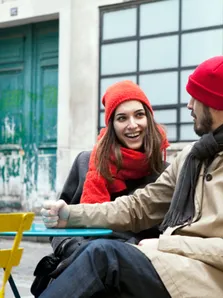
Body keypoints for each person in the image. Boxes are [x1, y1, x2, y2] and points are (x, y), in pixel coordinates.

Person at [40, 42, 223, 298]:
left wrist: (168, 245)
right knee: (95, 258)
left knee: (104, 257)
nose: (189, 106)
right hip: (177, 271)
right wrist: (71, 214)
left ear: (218, 105)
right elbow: (138, 207)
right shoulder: (194, 156)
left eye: (196, 98)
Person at [31, 80, 170, 296]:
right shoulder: (86, 163)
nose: (132, 125)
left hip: (131, 275)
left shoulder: (166, 174)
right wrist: (78, 250)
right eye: (122, 118)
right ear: (111, 125)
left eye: (139, 115)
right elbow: (58, 227)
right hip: (79, 266)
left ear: (149, 119)